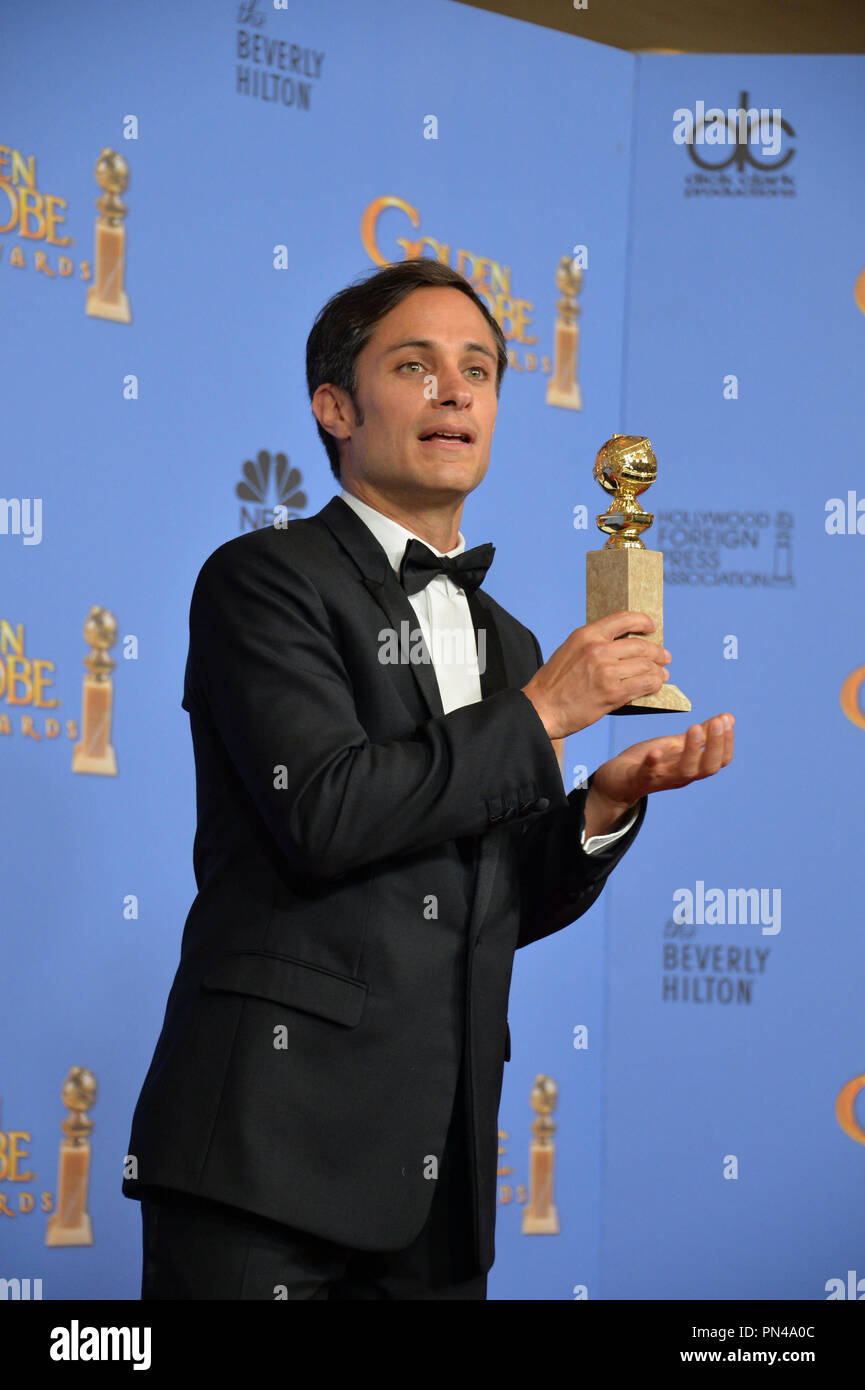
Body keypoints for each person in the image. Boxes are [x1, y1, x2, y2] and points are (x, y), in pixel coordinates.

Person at [122, 258, 734, 1300]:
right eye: (415, 365)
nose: (455, 392)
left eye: (480, 370)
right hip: (263, 1159)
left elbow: (482, 905)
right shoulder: (262, 580)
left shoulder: (510, 640)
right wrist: (542, 717)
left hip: (439, 1181)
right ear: (335, 406)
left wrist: (599, 806)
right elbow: (324, 811)